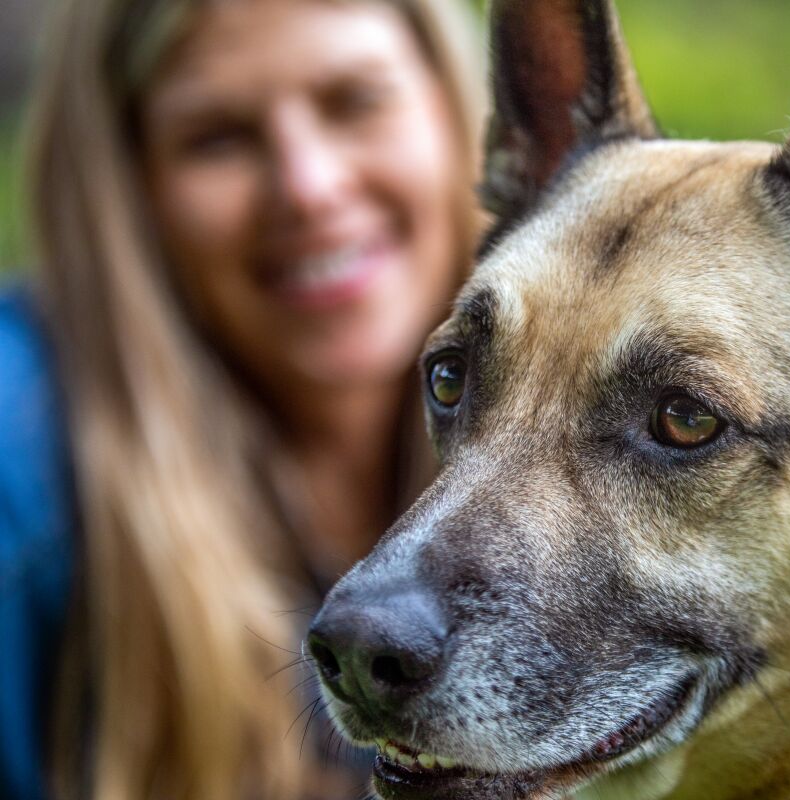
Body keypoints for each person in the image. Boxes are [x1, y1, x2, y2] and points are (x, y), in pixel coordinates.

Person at [0, 0, 485, 796]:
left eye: (354, 100)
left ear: (451, 103)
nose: (310, 188)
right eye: (217, 138)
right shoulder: (19, 480)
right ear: (126, 185)